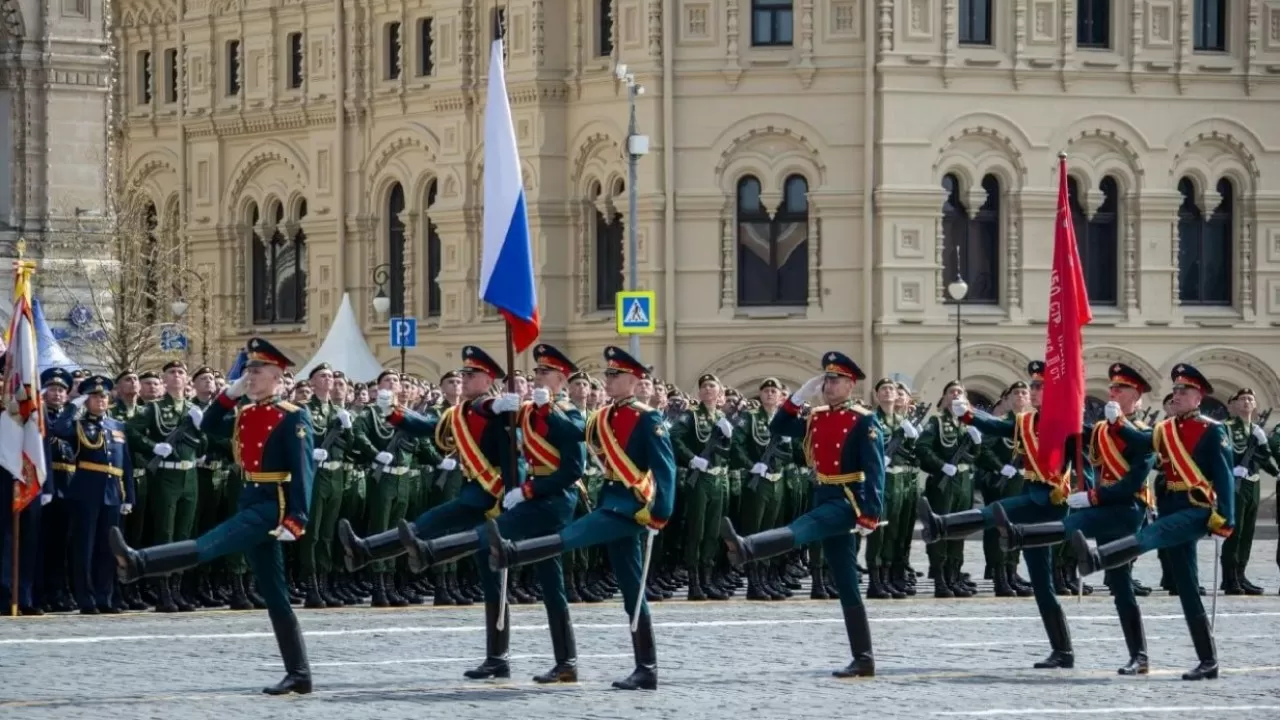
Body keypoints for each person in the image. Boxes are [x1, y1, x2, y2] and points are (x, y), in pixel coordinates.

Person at [109, 337, 316, 695]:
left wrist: (297, 517)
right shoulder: (247, 413)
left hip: (273, 506)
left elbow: (304, 469)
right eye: (248, 371)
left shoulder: (293, 416)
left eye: (257, 371)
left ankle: (140, 562)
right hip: (249, 497)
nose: (250, 376)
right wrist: (228, 395)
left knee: (210, 544)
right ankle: (300, 673)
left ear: (278, 375)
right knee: (275, 593)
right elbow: (207, 425)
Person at [485, 345, 676, 691]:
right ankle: (647, 668)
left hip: (631, 507)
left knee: (573, 534)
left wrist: (661, 512)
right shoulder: (604, 416)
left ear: (634, 381)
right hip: (611, 500)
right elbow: (569, 433)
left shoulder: (649, 417)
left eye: (615, 375)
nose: (608, 380)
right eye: (608, 374)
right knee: (632, 590)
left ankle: (512, 553)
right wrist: (543, 409)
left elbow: (666, 470)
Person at [395, 343, 586, 682]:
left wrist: (527, 489)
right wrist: (498, 406)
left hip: (554, 501)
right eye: (537, 371)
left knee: (492, 538)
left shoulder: (568, 412)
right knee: (547, 581)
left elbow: (572, 468)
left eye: (545, 372)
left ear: (561, 379)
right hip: (529, 497)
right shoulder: (529, 409)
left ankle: (431, 551)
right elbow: (483, 419)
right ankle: (537, 660)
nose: (537, 377)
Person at [719, 351, 884, 678]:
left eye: (835, 380)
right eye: (826, 379)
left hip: (846, 500)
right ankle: (864, 658)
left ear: (851, 384)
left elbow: (875, 470)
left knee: (803, 528)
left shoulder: (863, 419)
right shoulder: (818, 415)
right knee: (847, 582)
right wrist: (797, 397)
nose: (828, 385)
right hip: (823, 491)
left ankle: (748, 547)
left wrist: (870, 514)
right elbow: (779, 425)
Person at [918, 360, 1090, 669]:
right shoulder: (1025, 422)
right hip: (1031, 496)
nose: (1034, 391)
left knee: (997, 511)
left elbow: (1085, 461)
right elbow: (995, 426)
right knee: (1041, 584)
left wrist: (1086, 492)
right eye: (1032, 386)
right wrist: (968, 414)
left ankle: (942, 526)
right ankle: (1063, 650)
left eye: (1040, 387)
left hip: (1051, 502)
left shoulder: (1068, 422)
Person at [1072, 363, 1234, 681]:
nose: (1177, 395)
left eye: (1184, 391)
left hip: (1197, 508)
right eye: (1174, 390)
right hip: (1172, 504)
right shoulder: (1166, 430)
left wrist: (1226, 519)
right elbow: (1139, 441)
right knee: (1187, 588)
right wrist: (1117, 423)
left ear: (1198, 397)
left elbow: (1225, 477)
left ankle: (1097, 558)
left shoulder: (1212, 429)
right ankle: (1208, 660)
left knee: (1153, 534)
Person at [993, 363, 1156, 675]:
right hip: (1102, 509)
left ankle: (1140, 655)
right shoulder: (1101, 429)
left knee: (1120, 585)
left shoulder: (1144, 434)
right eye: (1112, 388)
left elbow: (1132, 483)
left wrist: (1092, 496)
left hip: (1127, 513)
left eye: (1121, 390)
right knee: (1069, 528)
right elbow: (1079, 445)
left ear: (1137, 398)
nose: (1113, 393)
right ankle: (1019, 536)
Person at [50, 375, 135, 614]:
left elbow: (125, 463)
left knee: (107, 548)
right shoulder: (77, 425)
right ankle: (86, 599)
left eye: (104, 396)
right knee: (84, 548)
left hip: (113, 494)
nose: (101, 400)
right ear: (87, 401)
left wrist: (129, 496)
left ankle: (104, 597)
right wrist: (73, 406)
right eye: (95, 397)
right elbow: (58, 429)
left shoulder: (116, 426)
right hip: (86, 493)